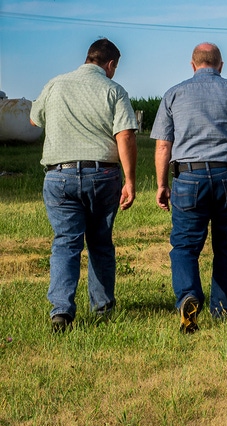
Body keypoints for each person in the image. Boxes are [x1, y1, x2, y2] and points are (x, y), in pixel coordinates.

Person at [151, 42, 227, 334]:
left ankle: (189, 296)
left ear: (192, 66)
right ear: (221, 65)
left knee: (185, 245)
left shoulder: (174, 94)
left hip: (189, 178)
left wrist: (162, 184)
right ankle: (223, 308)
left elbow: (163, 145)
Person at [30, 38, 139, 332]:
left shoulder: (55, 84)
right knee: (100, 243)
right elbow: (126, 135)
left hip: (58, 175)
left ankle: (61, 312)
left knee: (66, 242)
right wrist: (130, 181)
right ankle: (102, 308)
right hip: (102, 175)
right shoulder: (113, 90)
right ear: (111, 64)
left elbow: (33, 120)